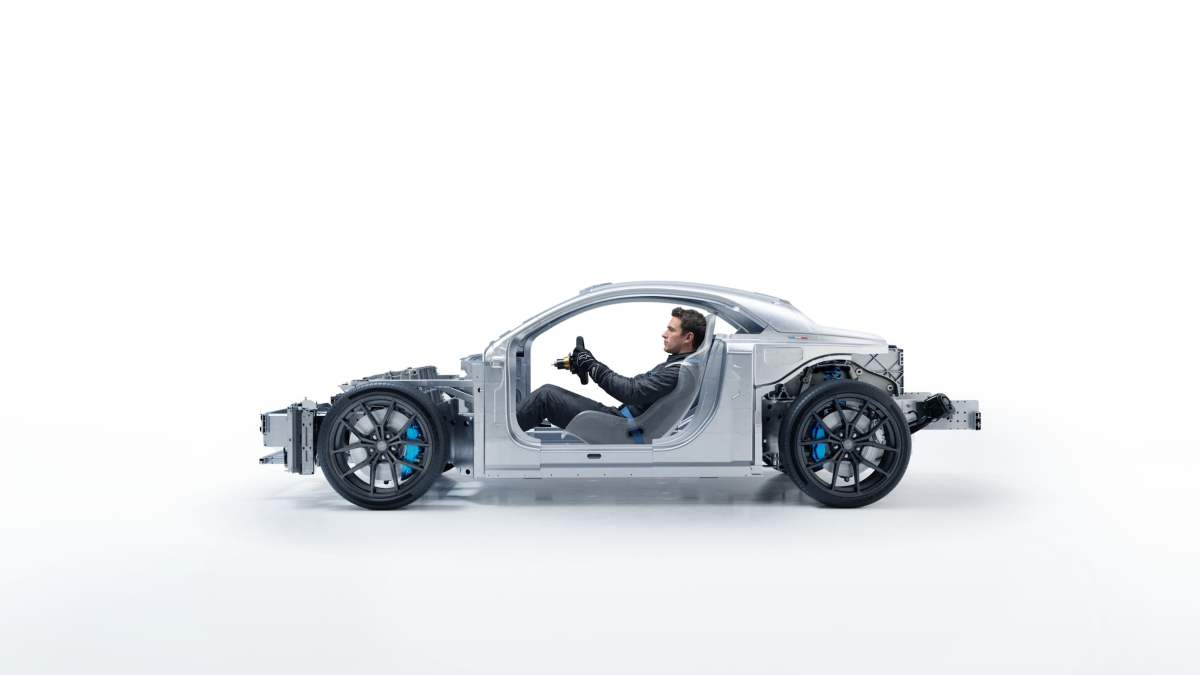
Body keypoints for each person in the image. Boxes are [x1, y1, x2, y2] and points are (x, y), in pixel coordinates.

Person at [516, 306, 707, 432]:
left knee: (546, 397)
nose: (664, 334)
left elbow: (631, 392)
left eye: (671, 330)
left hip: (623, 428)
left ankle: (498, 437)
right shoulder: (677, 365)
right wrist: (591, 364)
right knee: (547, 396)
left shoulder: (678, 372)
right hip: (622, 420)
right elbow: (634, 386)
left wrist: (592, 366)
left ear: (688, 337)